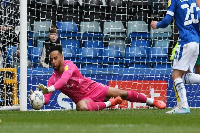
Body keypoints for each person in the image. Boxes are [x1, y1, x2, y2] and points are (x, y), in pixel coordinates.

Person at [33, 45, 166, 111]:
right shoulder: (52, 79)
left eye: (55, 58)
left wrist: (50, 89)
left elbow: (64, 80)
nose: (53, 62)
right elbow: (46, 99)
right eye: (51, 60)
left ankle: (152, 101)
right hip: (83, 99)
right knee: (80, 107)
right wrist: (38, 98)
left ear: (61, 57)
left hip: (93, 88)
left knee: (123, 93)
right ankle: (110, 103)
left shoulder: (69, 65)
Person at [151, 0, 200, 114]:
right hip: (196, 42)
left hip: (186, 41)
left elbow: (167, 20)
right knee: (185, 75)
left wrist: (157, 24)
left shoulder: (175, 0)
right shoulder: (193, 1)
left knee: (176, 75)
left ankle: (184, 106)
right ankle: (180, 105)